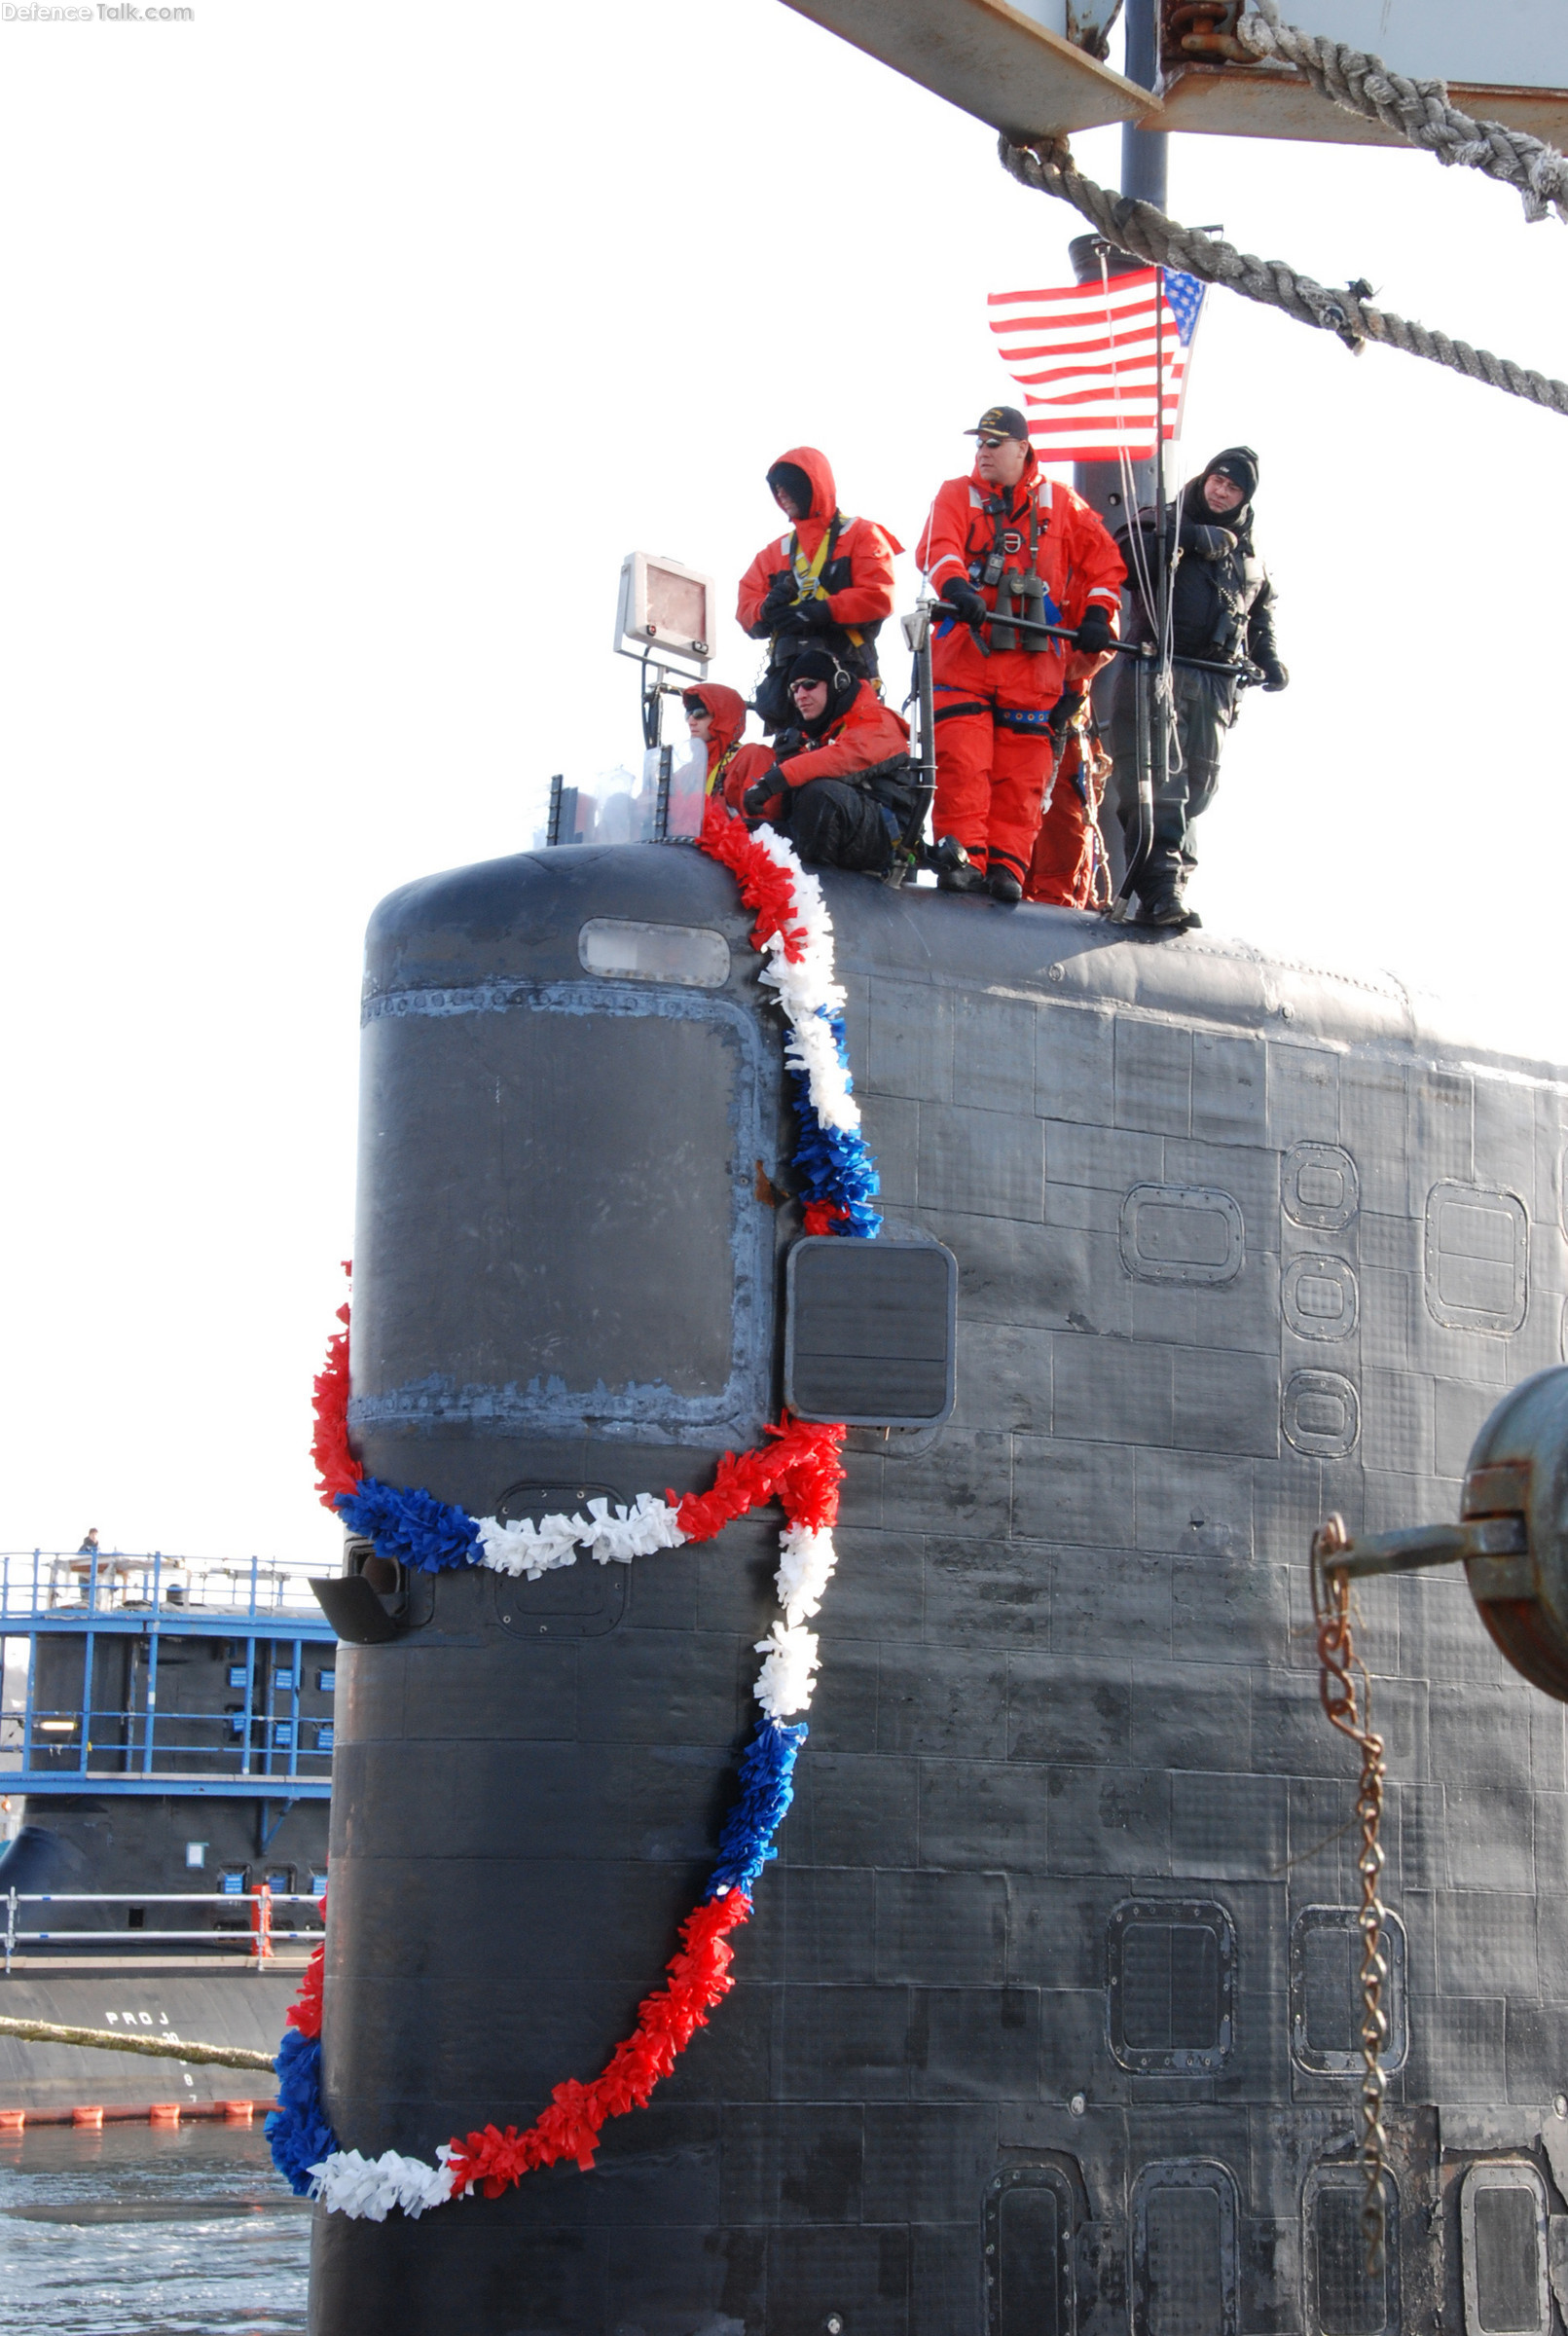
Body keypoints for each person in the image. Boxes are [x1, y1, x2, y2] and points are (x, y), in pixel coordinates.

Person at [916, 405, 1125, 903]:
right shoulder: (955, 494)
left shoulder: (1064, 505)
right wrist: (955, 586)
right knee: (962, 762)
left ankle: (1007, 867)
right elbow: (938, 547)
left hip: (1032, 668)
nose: (983, 452)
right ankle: (964, 857)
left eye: (994, 443)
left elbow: (1105, 566)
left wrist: (1097, 616)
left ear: (1022, 448)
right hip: (965, 657)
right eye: (979, 444)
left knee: (1022, 774)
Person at [1112, 443, 1288, 928]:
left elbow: (1260, 613)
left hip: (1214, 684)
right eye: (1217, 480)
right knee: (1158, 784)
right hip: (1159, 669)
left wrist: (1268, 658)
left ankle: (1174, 885)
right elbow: (1123, 556)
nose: (1221, 491)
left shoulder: (1250, 557)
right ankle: (1160, 887)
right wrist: (1185, 538)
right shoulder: (1161, 520)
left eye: (1232, 488)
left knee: (1197, 790)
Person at [737, 448, 900, 732]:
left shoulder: (861, 535)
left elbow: (879, 595)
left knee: (842, 766)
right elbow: (745, 608)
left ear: (813, 485)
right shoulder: (774, 553)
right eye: (776, 488)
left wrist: (822, 611)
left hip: (846, 680)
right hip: (790, 696)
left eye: (788, 485)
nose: (782, 494)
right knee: (788, 767)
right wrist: (766, 610)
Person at [734, 648, 915, 875]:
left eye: (809, 684)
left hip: (887, 839)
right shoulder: (821, 736)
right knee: (743, 830)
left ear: (837, 684)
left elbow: (844, 759)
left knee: (820, 794)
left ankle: (816, 891)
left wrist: (774, 781)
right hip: (845, 830)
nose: (800, 695)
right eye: (794, 688)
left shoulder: (877, 720)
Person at [681, 683, 750, 800]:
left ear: (723, 716)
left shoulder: (749, 757)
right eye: (688, 714)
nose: (691, 721)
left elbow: (761, 816)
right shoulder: (686, 772)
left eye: (699, 713)